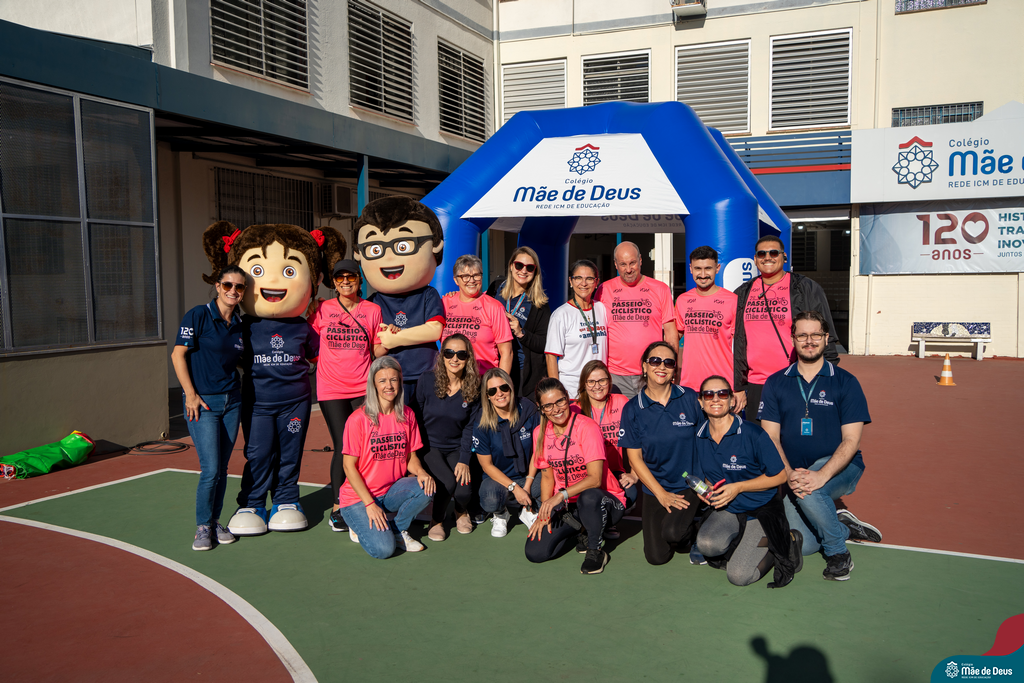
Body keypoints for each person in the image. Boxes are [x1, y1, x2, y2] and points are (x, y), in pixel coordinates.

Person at [759, 310, 881, 582]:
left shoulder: (846, 382)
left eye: (816, 335)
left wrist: (821, 475)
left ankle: (839, 555)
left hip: (840, 467)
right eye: (802, 335)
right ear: (793, 339)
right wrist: (789, 474)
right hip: (794, 474)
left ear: (826, 339)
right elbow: (770, 437)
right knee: (806, 544)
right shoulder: (776, 382)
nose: (809, 340)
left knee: (812, 491)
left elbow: (851, 440)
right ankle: (842, 526)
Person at [693, 375, 803, 588]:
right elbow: (704, 476)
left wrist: (739, 487)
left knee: (739, 576)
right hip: (729, 508)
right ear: (701, 402)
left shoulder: (753, 433)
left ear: (731, 400)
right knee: (707, 545)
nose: (715, 399)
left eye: (722, 393)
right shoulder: (699, 436)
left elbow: (780, 476)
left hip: (759, 510)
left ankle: (786, 541)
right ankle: (747, 541)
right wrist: (704, 490)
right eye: (708, 394)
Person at [171, 265, 247, 551]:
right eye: (228, 285)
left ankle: (215, 521)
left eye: (239, 287)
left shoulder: (239, 323)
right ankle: (202, 527)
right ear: (217, 286)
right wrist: (190, 395)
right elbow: (177, 355)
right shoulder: (198, 315)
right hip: (203, 404)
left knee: (223, 469)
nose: (233, 291)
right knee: (211, 469)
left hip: (232, 402)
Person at [310, 259, 386, 534]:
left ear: (359, 279)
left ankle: (365, 498)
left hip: (363, 389)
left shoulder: (373, 310)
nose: (345, 282)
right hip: (331, 389)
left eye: (350, 277)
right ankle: (337, 507)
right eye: (340, 277)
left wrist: (390, 338)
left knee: (365, 445)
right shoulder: (322, 309)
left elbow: (376, 350)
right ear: (334, 282)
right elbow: (310, 345)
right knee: (343, 446)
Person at [525, 378, 627, 575]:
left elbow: (595, 479)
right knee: (535, 552)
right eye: (548, 405)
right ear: (541, 408)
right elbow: (547, 477)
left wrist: (560, 495)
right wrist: (545, 512)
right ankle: (581, 530)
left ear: (567, 398)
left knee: (588, 497)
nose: (556, 409)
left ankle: (595, 551)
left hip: (602, 501)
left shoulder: (587, 427)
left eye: (560, 401)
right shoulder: (539, 433)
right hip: (569, 507)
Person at [339, 356, 436, 559]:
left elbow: (411, 457)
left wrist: (421, 472)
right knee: (383, 550)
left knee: (426, 487)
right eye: (382, 381)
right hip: (358, 499)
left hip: (390, 491)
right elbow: (349, 467)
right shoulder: (358, 419)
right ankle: (358, 524)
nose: (389, 386)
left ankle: (398, 529)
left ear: (400, 381)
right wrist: (369, 504)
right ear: (373, 384)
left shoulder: (407, 414)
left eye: (393, 379)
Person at [733, 235, 838, 421]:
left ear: (784, 257)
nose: (767, 257)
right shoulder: (743, 292)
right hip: (756, 384)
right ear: (755, 259)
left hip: (796, 379)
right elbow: (737, 342)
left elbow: (825, 337)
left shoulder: (805, 288)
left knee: (794, 435)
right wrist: (738, 386)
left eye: (774, 253)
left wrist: (825, 380)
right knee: (758, 436)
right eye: (762, 254)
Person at [619, 341, 703, 566]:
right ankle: (684, 527)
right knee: (657, 557)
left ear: (675, 369)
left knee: (674, 533)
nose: (662, 366)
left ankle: (700, 529)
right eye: (655, 361)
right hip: (656, 487)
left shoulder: (690, 397)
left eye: (669, 362)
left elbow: (706, 440)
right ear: (644, 366)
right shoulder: (632, 408)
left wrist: (705, 481)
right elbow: (635, 459)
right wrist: (661, 494)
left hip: (690, 483)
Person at [356, 197, 446, 398]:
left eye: (403, 246)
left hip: (426, 372)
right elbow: (373, 345)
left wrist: (395, 337)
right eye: (375, 249)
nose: (389, 257)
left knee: (426, 417)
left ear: (435, 247)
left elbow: (434, 330)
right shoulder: (372, 303)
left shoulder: (428, 294)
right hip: (389, 377)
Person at [415, 334, 481, 541]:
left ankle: (460, 511)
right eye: (449, 353)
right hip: (430, 446)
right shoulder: (427, 380)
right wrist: (415, 453)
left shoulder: (473, 387)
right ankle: (437, 519)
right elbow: (415, 417)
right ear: (442, 355)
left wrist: (464, 459)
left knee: (463, 491)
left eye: (461, 354)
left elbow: (469, 427)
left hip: (456, 447)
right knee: (447, 483)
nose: (455, 358)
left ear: (468, 358)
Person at [595, 242, 677, 399]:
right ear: (615, 264)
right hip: (615, 375)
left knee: (654, 413)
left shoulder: (660, 289)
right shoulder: (604, 290)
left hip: (652, 371)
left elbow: (670, 332)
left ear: (640, 260)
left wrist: (671, 366)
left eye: (632, 263)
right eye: (623, 264)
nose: (628, 269)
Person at [473, 368, 542, 537]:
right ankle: (500, 513)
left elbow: (538, 450)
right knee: (490, 500)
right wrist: (515, 488)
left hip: (529, 475)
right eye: (492, 391)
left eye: (503, 387)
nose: (499, 393)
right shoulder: (482, 421)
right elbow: (486, 466)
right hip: (499, 479)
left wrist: (527, 485)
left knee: (551, 483)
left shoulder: (528, 409)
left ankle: (528, 509)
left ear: (511, 387)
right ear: (487, 396)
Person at [575, 360, 640, 538]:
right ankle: (591, 524)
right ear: (584, 384)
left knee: (630, 494)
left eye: (602, 380)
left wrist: (634, 474)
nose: (597, 386)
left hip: (614, 471)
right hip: (586, 472)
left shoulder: (621, 402)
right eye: (591, 381)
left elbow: (637, 438)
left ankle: (608, 521)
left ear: (609, 381)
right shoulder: (576, 409)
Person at [487, 246, 551, 400]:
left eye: (529, 267)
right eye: (519, 265)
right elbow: (478, 306)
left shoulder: (539, 304)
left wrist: (522, 333)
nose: (523, 271)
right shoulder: (496, 288)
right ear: (511, 266)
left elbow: (545, 343)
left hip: (522, 371)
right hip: (493, 364)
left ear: (535, 271)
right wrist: (456, 294)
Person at [674, 246, 738, 398]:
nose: (703, 275)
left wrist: (739, 386)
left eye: (708, 268)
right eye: (698, 268)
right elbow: (674, 337)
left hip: (722, 384)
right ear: (690, 268)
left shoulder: (733, 300)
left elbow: (742, 346)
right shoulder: (682, 300)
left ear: (717, 268)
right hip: (689, 385)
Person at [544, 259, 609, 399]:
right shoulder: (561, 315)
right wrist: (557, 392)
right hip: (573, 390)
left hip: (599, 389)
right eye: (578, 278)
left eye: (589, 279)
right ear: (571, 281)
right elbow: (551, 357)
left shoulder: (601, 308)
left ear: (596, 282)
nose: (583, 283)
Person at [441, 255, 513, 374]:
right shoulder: (444, 304)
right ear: (456, 280)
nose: (472, 280)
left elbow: (507, 352)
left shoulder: (494, 307)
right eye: (465, 276)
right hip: (451, 379)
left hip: (482, 378)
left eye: (476, 275)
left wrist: (500, 382)